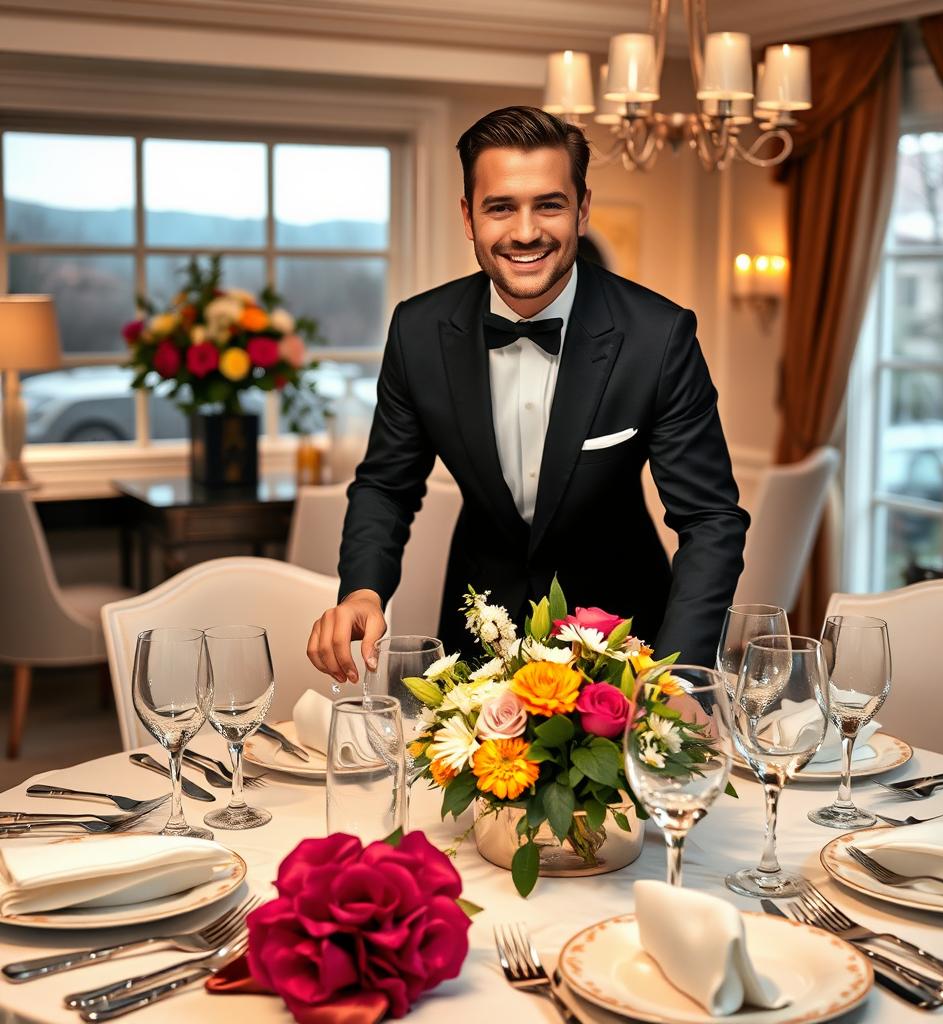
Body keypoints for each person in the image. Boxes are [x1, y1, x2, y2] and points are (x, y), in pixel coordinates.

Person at [307, 105, 749, 686]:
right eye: (500, 207)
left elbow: (711, 519)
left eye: (549, 204)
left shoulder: (657, 336)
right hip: (475, 648)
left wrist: (682, 674)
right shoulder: (418, 331)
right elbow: (387, 486)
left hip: (623, 654)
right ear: (469, 217)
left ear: (582, 209)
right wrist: (363, 589)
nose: (524, 231)